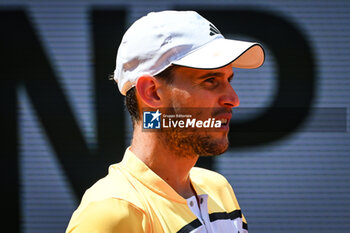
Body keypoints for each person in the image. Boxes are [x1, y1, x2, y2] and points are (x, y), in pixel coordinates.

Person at [66, 10, 264, 233]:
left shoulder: (218, 188)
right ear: (151, 92)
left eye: (228, 80)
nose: (233, 99)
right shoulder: (111, 211)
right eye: (210, 80)